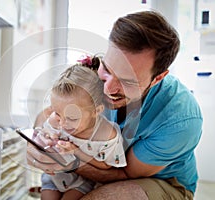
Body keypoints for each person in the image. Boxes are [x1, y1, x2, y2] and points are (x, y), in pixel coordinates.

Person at [28, 10, 203, 200]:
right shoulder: (94, 77)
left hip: (160, 181)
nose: (108, 89)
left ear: (157, 78)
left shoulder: (180, 120)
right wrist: (38, 142)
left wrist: (68, 161)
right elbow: (50, 112)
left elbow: (125, 173)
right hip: (89, 170)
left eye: (128, 82)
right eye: (107, 69)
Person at [37, 63, 126, 200]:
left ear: (96, 111)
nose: (62, 123)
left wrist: (76, 151)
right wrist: (46, 142)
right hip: (56, 177)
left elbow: (106, 166)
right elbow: (42, 138)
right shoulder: (56, 120)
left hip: (81, 182)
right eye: (57, 113)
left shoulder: (107, 135)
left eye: (72, 118)